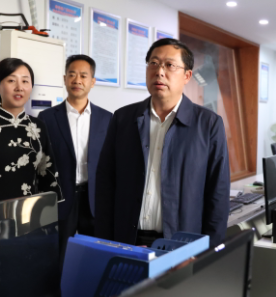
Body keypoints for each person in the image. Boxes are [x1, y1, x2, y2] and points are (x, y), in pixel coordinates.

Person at [95, 38, 230, 247]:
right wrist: (106, 243)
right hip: (127, 242)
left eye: (170, 65)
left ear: (187, 76)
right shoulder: (123, 119)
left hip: (181, 245)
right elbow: (106, 184)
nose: (159, 71)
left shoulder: (208, 124)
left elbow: (218, 195)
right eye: (154, 63)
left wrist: (207, 251)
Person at [37, 55, 112, 258]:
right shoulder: (47, 118)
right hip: (61, 198)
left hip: (94, 199)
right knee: (59, 255)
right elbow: (41, 163)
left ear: (92, 82)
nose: (77, 80)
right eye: (72, 74)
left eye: (83, 75)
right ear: (65, 79)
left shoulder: (106, 118)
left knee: (96, 255)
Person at [0, 58, 63, 204]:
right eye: (11, 81)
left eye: (25, 81)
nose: (19, 87)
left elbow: (47, 173)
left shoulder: (38, 127)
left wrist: (48, 210)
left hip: (30, 211)